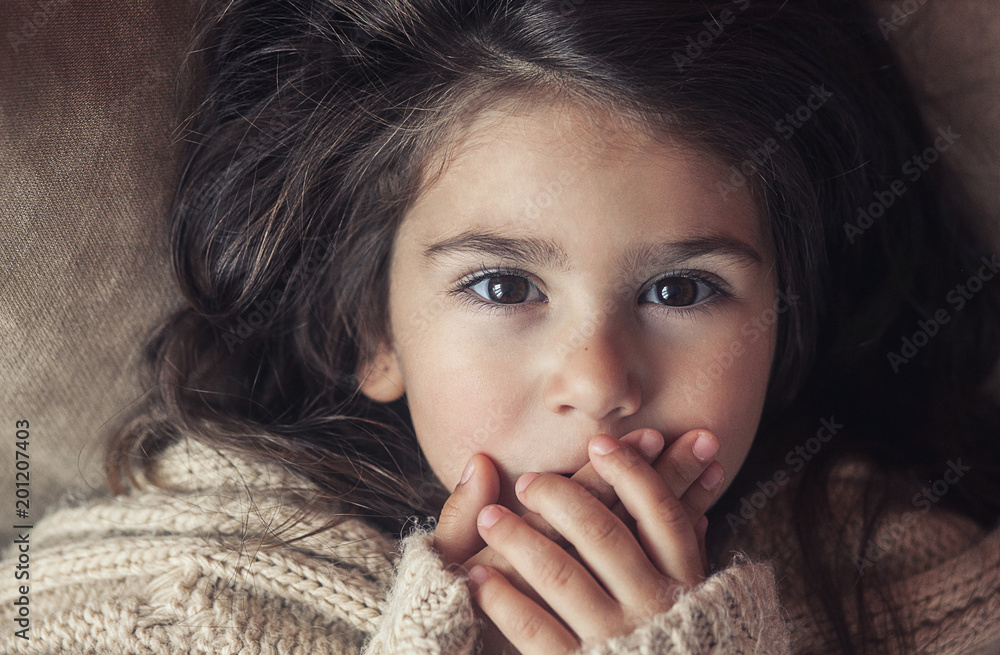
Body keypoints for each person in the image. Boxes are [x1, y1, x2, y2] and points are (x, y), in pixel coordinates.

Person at [2, 0, 999, 653]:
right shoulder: (161, 596)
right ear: (369, 328)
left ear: (785, 317)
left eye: (683, 291)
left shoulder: (915, 585)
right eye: (501, 286)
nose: (600, 378)